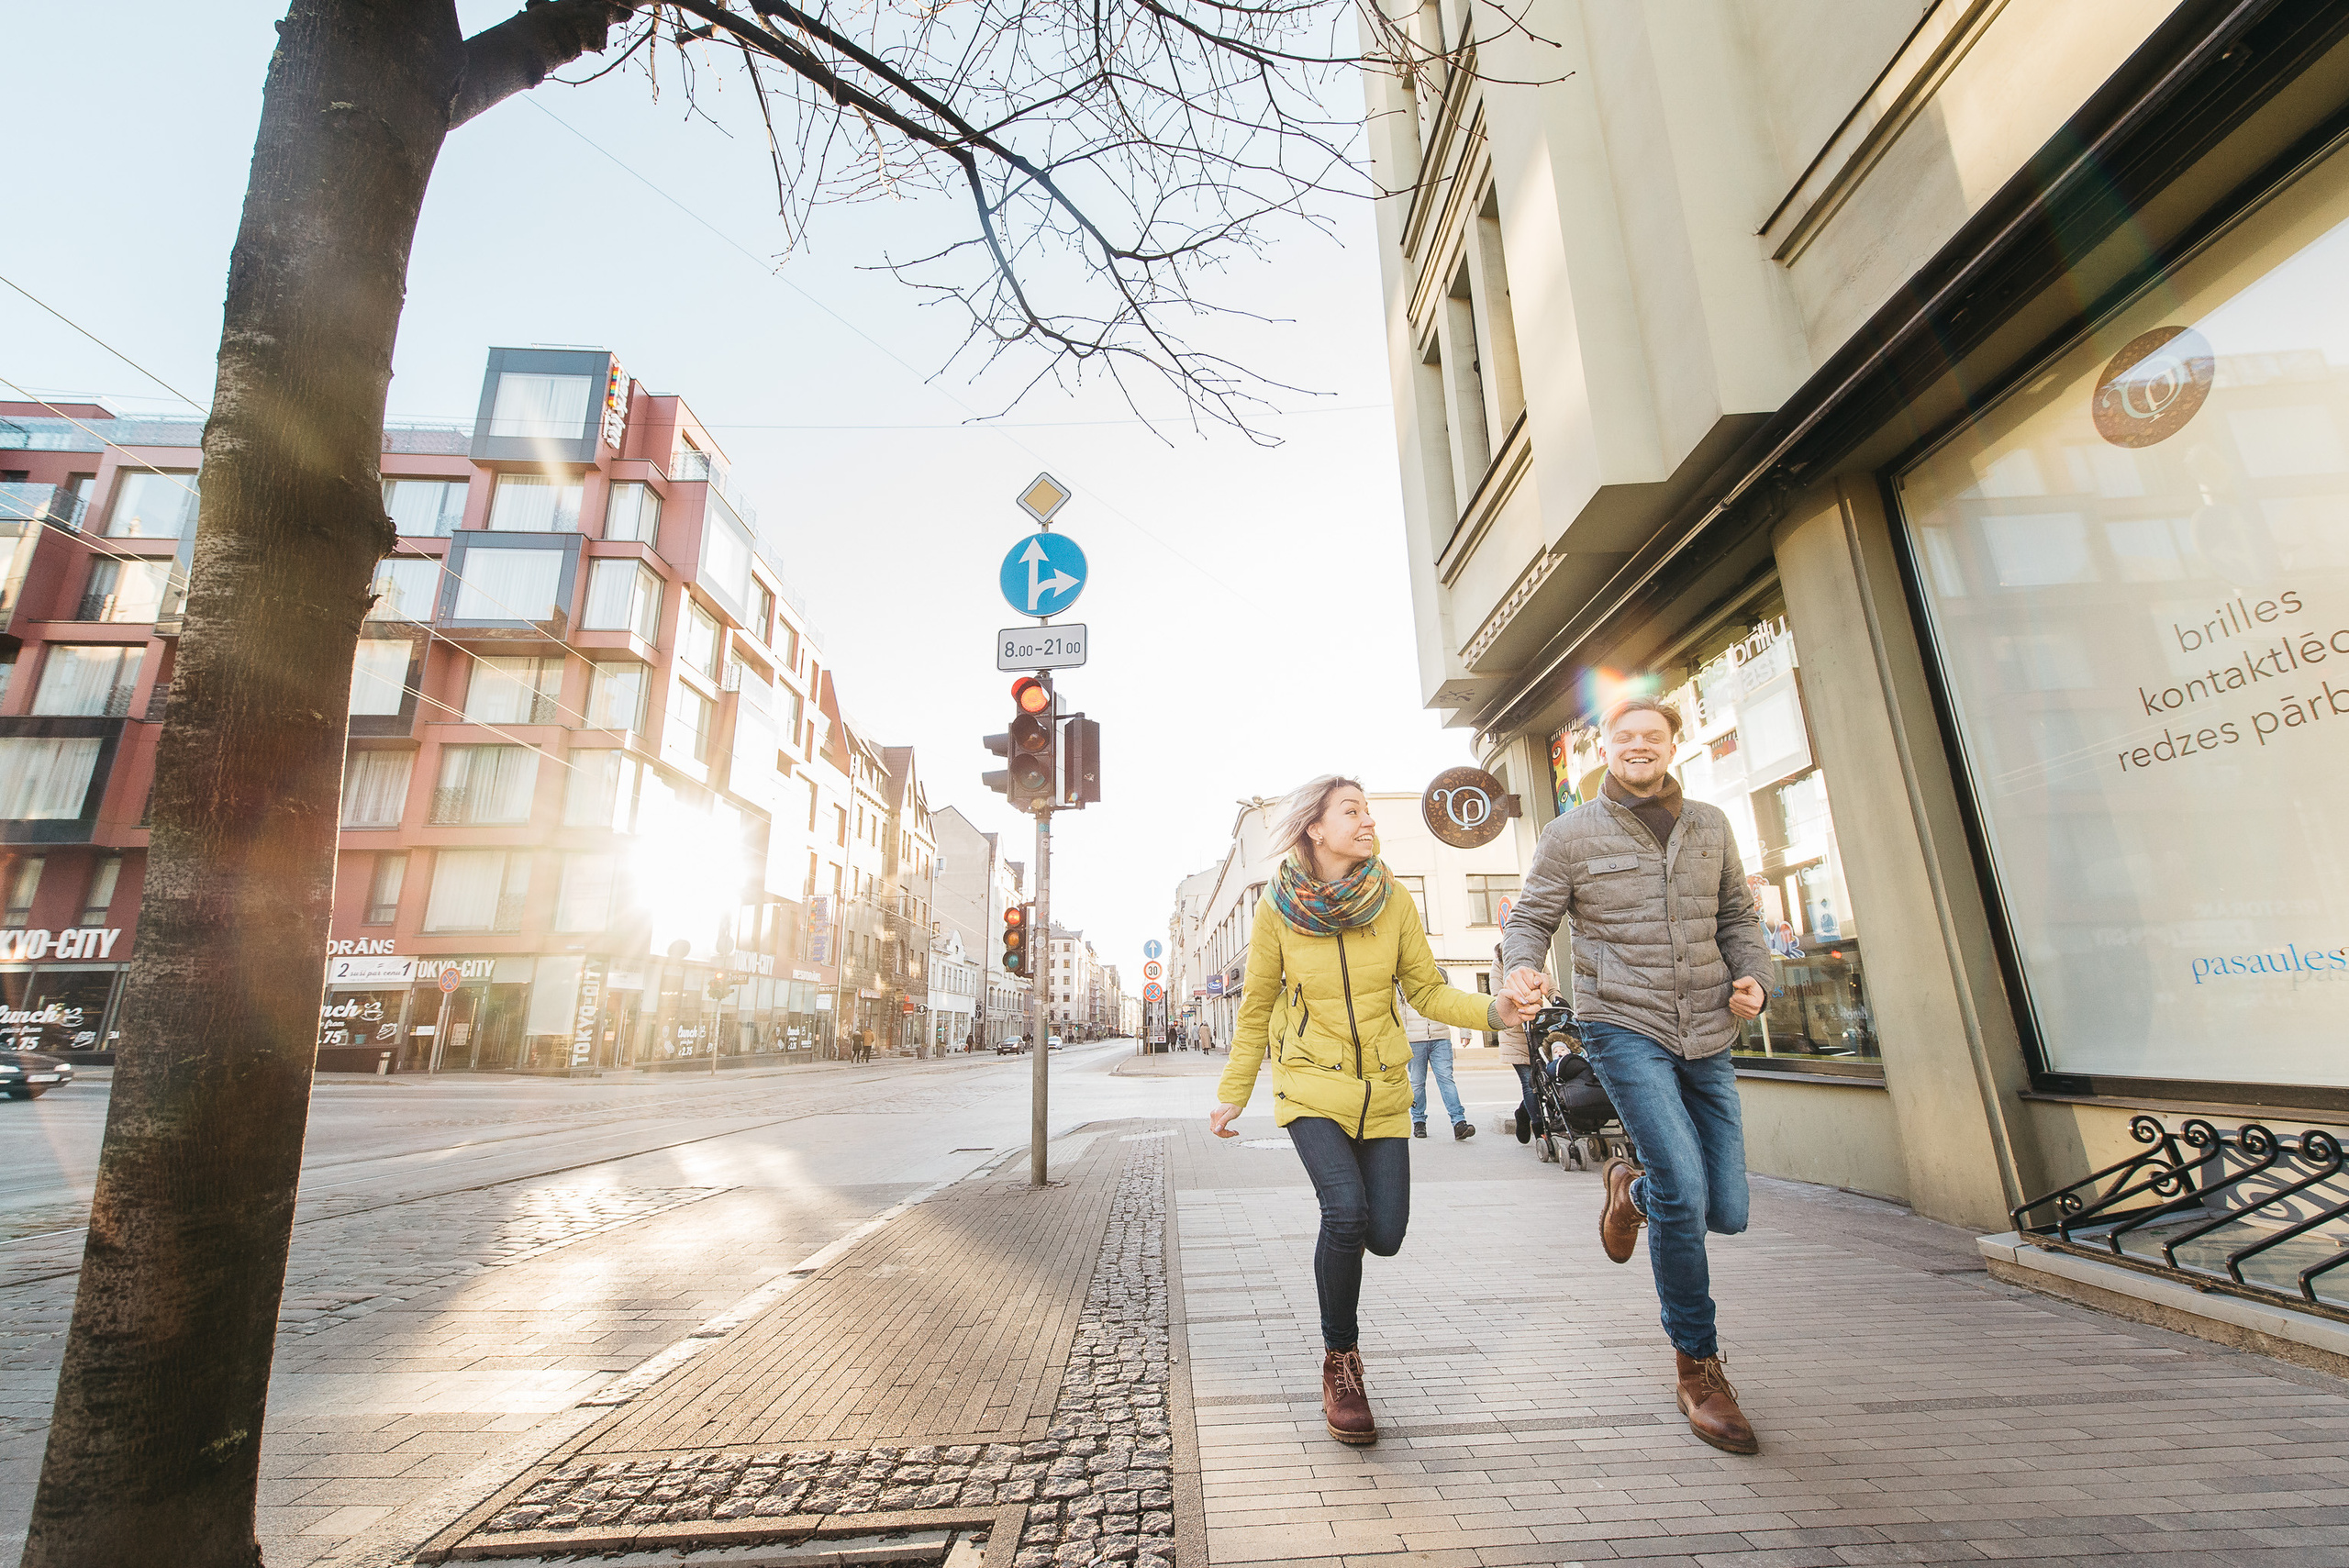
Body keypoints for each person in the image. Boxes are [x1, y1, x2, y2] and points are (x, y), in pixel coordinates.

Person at [1210, 775, 1527, 1447]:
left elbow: (1427, 990)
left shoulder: (1392, 900)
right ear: (1315, 829)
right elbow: (1258, 1004)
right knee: (1345, 1211)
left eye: (1369, 811)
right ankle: (1341, 1361)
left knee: (1384, 1233)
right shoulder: (1277, 908)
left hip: (1383, 1091)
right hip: (1309, 1086)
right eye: (1351, 811)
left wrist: (1493, 1011)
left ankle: (1342, 1337)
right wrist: (1234, 1091)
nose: (1367, 822)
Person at [1502, 695, 1773, 1455]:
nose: (1639, 746)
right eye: (1625, 737)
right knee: (1685, 1190)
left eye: (1653, 735)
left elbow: (1738, 918)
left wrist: (1755, 977)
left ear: (1671, 744)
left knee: (1725, 1208)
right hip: (1623, 1023)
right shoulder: (1570, 834)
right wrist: (1522, 968)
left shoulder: (1711, 825)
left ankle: (1631, 1190)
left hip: (1710, 1026)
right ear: (1607, 748)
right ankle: (1698, 1363)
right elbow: (1530, 919)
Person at [1493, 944, 1549, 1145]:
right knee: (1530, 1083)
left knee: (1542, 1082)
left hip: (1538, 1030)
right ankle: (1539, 1126)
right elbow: (1496, 994)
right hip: (1514, 1033)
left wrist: (1557, 999)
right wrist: (1518, 1002)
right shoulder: (1498, 965)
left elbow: (1550, 983)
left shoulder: (1536, 959)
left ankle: (1522, 1114)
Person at [1397, 991, 1471, 1140]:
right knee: (1417, 1082)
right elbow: (1397, 1009)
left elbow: (1455, 1002)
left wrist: (1465, 1030)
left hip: (1440, 1038)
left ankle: (1459, 1123)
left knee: (1446, 1080)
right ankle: (1419, 1121)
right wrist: (1400, 1038)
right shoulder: (1402, 976)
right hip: (1414, 1039)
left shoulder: (1441, 974)